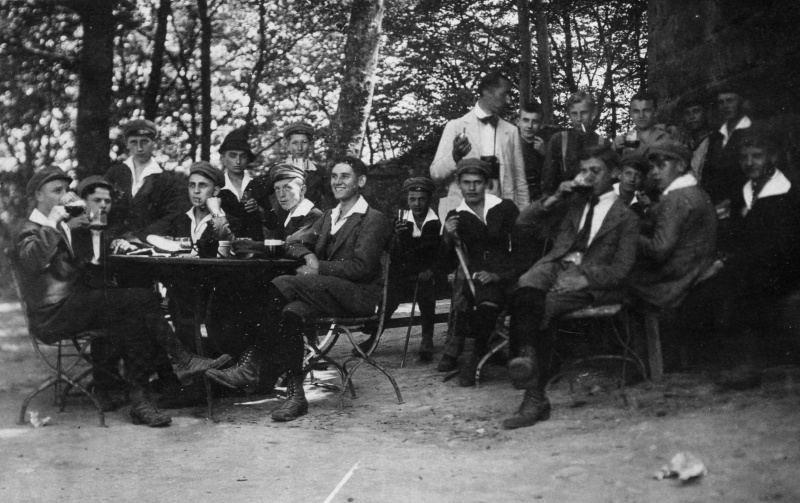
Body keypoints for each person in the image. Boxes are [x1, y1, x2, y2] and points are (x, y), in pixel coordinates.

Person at [13, 167, 227, 427]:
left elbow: (72, 271)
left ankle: (141, 403)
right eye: (56, 191)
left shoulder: (60, 225)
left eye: (66, 189)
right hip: (52, 316)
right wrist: (53, 224)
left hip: (73, 305)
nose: (64, 196)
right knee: (142, 299)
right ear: (38, 195)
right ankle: (181, 359)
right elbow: (33, 261)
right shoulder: (30, 228)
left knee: (135, 317)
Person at [206, 156, 390, 422]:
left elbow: (361, 268)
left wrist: (319, 268)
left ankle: (252, 364)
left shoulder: (373, 219)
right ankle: (296, 396)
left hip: (358, 296)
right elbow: (291, 242)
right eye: (334, 176)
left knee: (281, 284)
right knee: (291, 312)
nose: (337, 181)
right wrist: (307, 254)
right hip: (326, 293)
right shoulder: (330, 216)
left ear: (360, 181)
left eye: (345, 176)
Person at [503, 145, 638, 429]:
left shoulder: (626, 216)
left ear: (613, 173)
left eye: (595, 171)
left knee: (545, 306)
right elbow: (523, 223)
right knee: (525, 286)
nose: (587, 177)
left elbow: (623, 270)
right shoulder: (574, 203)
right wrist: (554, 197)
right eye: (584, 170)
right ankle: (526, 358)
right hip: (557, 265)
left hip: (590, 276)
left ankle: (534, 395)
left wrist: (585, 279)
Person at [438, 158, 523, 386]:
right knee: (484, 297)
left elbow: (523, 248)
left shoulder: (504, 208)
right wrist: (447, 237)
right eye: (467, 183)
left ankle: (517, 357)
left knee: (522, 297)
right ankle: (477, 357)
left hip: (511, 272)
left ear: (487, 184)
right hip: (479, 277)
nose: (472, 188)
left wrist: (501, 274)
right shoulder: (456, 216)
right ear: (459, 184)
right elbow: (446, 263)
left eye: (477, 182)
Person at [713, 126, 800, 330]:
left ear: (773, 156)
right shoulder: (742, 191)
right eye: (744, 157)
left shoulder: (787, 194)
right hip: (750, 267)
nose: (749, 163)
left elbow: (781, 249)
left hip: (781, 272)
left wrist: (729, 264)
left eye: (757, 156)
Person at [353, 177, 443, 362]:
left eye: (421, 199)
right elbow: (393, 255)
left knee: (426, 291)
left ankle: (427, 339)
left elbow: (443, 254)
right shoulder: (401, 220)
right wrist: (399, 238)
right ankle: (374, 337)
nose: (417, 204)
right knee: (391, 295)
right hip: (404, 274)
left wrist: (431, 270)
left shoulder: (438, 221)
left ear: (428, 200)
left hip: (429, 275)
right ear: (408, 200)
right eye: (412, 199)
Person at [629, 139, 717, 310]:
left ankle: (639, 335)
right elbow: (660, 219)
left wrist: (629, 235)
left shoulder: (676, 198)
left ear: (681, 165)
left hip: (677, 279)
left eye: (661, 166)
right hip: (696, 268)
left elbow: (658, 250)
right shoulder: (694, 191)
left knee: (619, 277)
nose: (654, 173)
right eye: (652, 167)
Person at [430, 72, 529, 221]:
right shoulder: (456, 126)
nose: (508, 100)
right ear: (486, 92)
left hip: (501, 215)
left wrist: (524, 218)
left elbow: (520, 181)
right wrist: (454, 157)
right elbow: (436, 173)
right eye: (504, 94)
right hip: (463, 213)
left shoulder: (511, 131)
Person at [105, 119, 188, 253]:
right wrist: (113, 238)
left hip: (147, 247)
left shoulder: (167, 181)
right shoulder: (114, 174)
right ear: (127, 144)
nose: (139, 148)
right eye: (134, 142)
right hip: (112, 245)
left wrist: (135, 240)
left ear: (153, 143)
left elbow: (169, 218)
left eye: (144, 141)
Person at [541, 90, 608, 195]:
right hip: (565, 203)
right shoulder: (558, 140)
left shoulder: (602, 143)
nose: (579, 119)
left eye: (584, 113)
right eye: (574, 114)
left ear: (593, 113)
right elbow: (548, 182)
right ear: (569, 115)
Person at [216, 128, 274, 241]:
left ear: (247, 159)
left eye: (242, 156)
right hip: (224, 249)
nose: (238, 161)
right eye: (233, 155)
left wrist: (259, 209)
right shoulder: (216, 187)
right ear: (223, 158)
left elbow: (273, 224)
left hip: (254, 250)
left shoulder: (257, 185)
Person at [703, 87, 752, 211]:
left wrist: (733, 200)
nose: (725, 106)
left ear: (742, 103)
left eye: (730, 101)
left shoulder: (752, 131)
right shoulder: (717, 136)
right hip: (716, 204)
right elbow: (708, 172)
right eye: (721, 102)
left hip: (743, 203)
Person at [280, 121, 331, 210]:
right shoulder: (279, 170)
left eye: (304, 142)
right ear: (287, 145)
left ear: (310, 145)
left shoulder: (320, 172)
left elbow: (331, 200)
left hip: (313, 221)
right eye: (295, 143)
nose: (300, 148)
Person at [269, 163, 323, 240]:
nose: (281, 194)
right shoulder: (288, 214)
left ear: (302, 190)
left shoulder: (314, 216)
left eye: (287, 187)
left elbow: (293, 246)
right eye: (277, 189)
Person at [678, 94, 723, 182]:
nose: (691, 117)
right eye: (687, 113)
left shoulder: (716, 140)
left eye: (696, 111)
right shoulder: (684, 141)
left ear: (705, 113)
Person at [612, 91, 672, 157]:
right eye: (636, 111)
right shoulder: (626, 140)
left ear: (655, 112)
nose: (641, 115)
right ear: (631, 113)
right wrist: (616, 150)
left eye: (646, 110)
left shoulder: (668, 134)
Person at [518, 102, 548, 201]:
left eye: (534, 121)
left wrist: (545, 155)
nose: (529, 126)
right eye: (526, 120)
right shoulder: (511, 145)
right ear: (518, 122)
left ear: (541, 125)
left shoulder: (546, 147)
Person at [614, 153, 652, 218]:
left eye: (638, 176)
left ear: (643, 179)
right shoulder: (609, 193)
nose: (632, 179)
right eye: (628, 173)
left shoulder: (641, 200)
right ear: (619, 174)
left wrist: (648, 209)